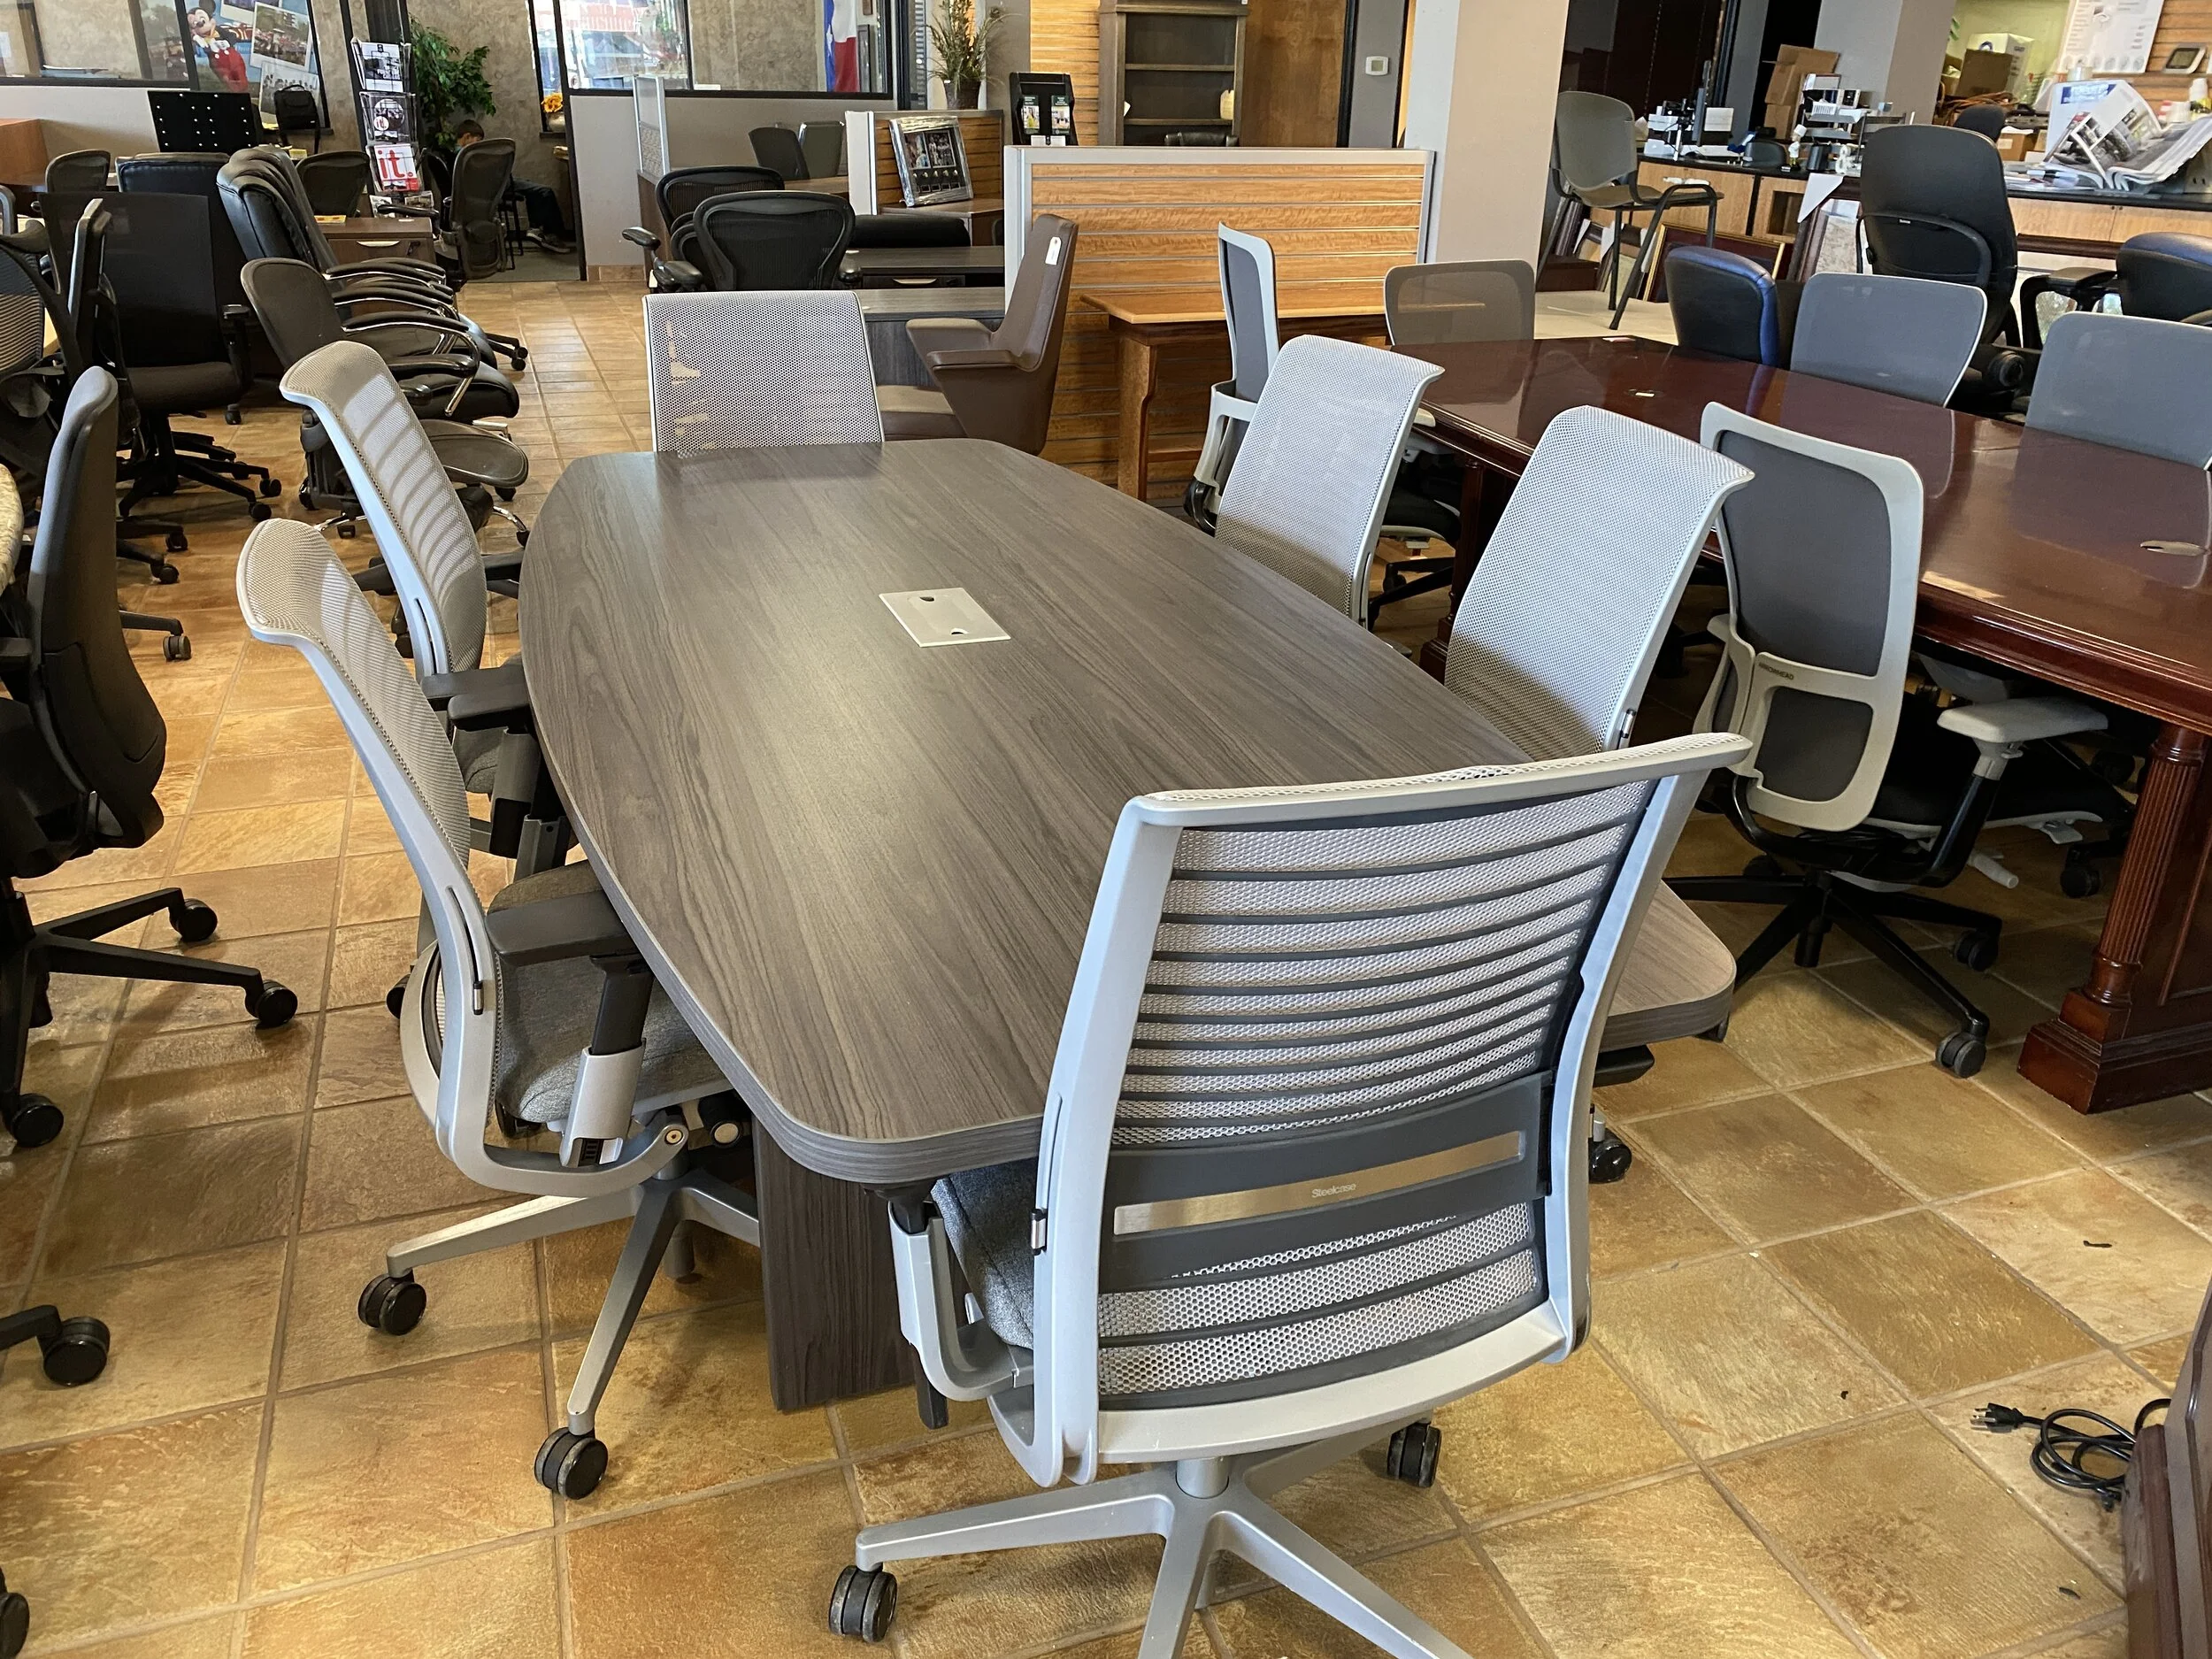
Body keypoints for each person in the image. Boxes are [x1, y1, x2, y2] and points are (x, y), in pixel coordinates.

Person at [451, 119, 574, 254]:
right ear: (467, 136)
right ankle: (548, 233)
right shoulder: (464, 155)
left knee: (536, 191)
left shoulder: (458, 155)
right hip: (496, 186)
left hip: (493, 185)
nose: (479, 144)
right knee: (544, 192)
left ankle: (537, 228)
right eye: (478, 140)